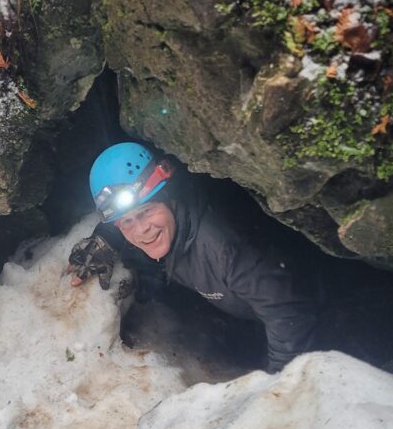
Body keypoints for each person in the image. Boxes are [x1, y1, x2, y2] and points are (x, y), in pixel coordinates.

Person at [68, 142, 318, 374]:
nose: (140, 230)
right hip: (239, 315)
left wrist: (279, 388)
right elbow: (126, 218)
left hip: (321, 323)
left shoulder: (225, 249)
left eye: (146, 212)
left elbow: (290, 316)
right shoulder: (170, 228)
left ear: (170, 200)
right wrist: (105, 239)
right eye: (126, 222)